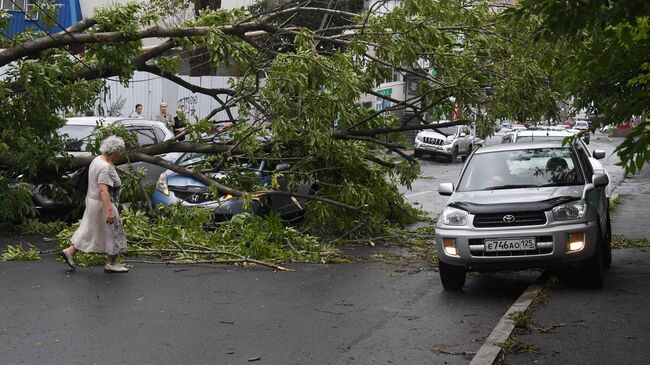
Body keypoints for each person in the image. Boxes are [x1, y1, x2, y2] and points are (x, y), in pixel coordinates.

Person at [60, 136, 129, 273]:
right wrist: (109, 211)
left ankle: (69, 251)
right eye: (120, 151)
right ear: (114, 150)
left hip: (93, 202)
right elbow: (103, 190)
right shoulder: (105, 168)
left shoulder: (97, 160)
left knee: (90, 229)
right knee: (114, 231)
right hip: (103, 204)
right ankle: (111, 263)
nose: (120, 154)